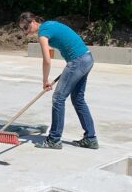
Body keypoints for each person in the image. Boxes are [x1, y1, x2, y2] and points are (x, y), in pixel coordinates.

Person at [19, 12, 99, 150]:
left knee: (58, 98)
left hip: (78, 61)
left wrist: (45, 80)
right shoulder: (49, 25)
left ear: (32, 22)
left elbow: (47, 60)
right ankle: (90, 139)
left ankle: (54, 140)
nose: (25, 33)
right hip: (87, 58)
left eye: (25, 28)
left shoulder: (43, 32)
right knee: (78, 99)